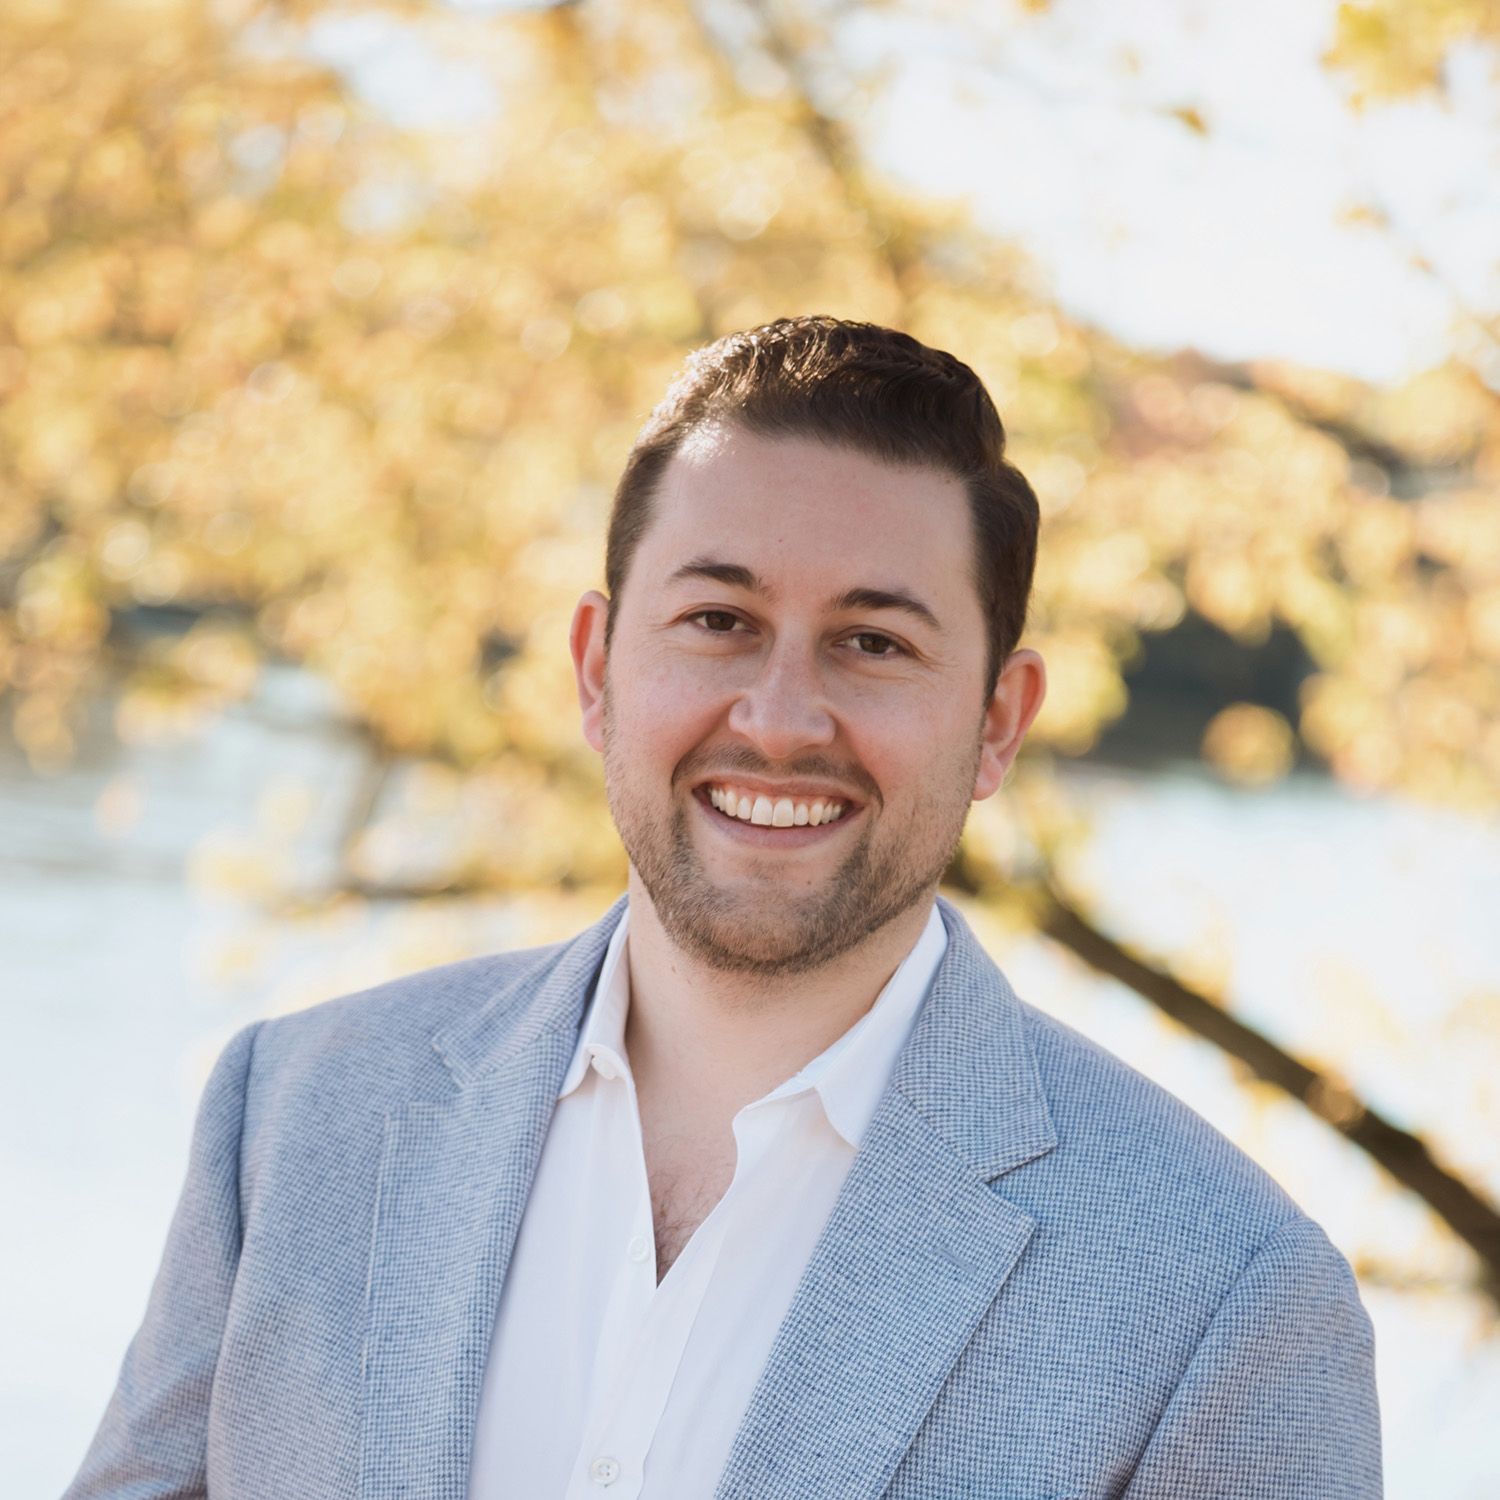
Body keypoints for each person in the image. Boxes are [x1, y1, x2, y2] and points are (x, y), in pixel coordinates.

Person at [65, 317, 1380, 1500]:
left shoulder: (1224, 1300)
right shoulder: (295, 1118)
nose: (779, 719)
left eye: (874, 643)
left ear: (997, 723)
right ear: (596, 670)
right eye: (717, 619)